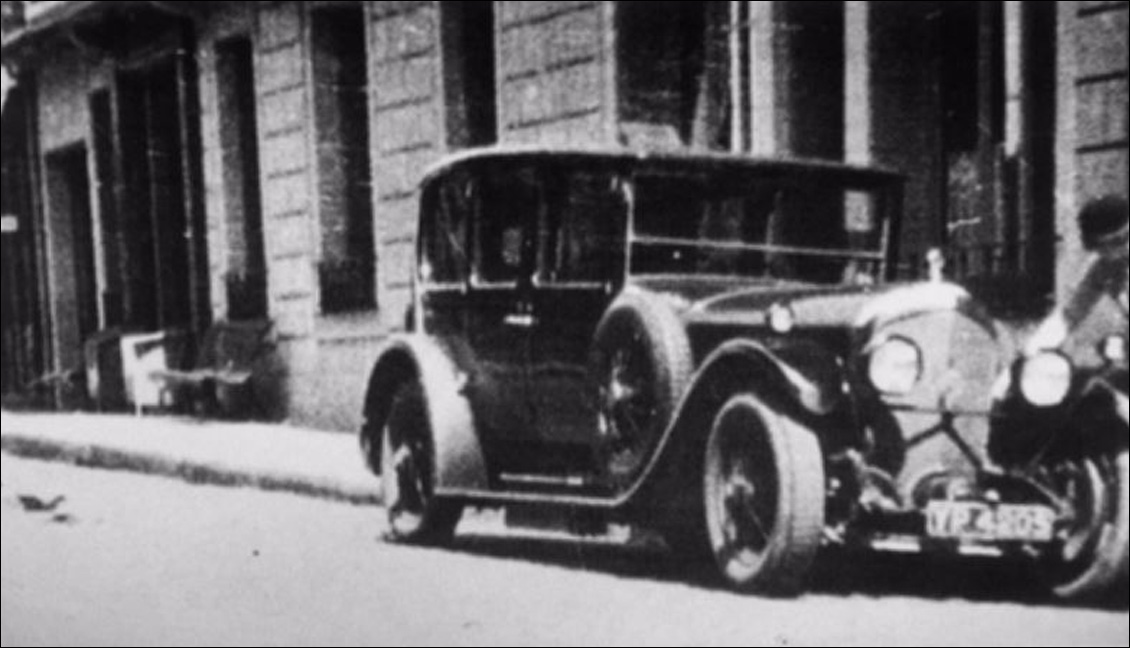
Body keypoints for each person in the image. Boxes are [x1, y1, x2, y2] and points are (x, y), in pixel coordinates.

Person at [1026, 195, 1129, 355]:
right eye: (1110, 244)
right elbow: (1070, 316)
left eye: (1124, 238)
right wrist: (1030, 352)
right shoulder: (1104, 270)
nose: (1124, 248)